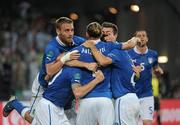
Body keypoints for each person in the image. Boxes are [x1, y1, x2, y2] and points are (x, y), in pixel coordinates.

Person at [3, 17, 97, 124]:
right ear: (58, 31)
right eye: (66, 30)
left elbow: (95, 45)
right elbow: (50, 71)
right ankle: (14, 103)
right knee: (34, 120)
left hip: (60, 88)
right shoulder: (52, 47)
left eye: (72, 30)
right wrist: (64, 59)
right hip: (43, 86)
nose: (70, 33)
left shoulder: (78, 41)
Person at [72, 22, 140, 125]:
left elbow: (103, 61)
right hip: (126, 99)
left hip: (123, 100)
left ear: (116, 35)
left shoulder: (115, 50)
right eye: (103, 34)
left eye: (108, 33)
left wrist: (91, 48)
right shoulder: (116, 49)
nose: (105, 36)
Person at [127, 30, 164, 125]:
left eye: (143, 35)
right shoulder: (128, 53)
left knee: (147, 123)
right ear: (135, 39)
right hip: (132, 94)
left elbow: (156, 68)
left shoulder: (153, 54)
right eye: (139, 36)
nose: (141, 37)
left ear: (147, 39)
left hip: (147, 94)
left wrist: (158, 71)